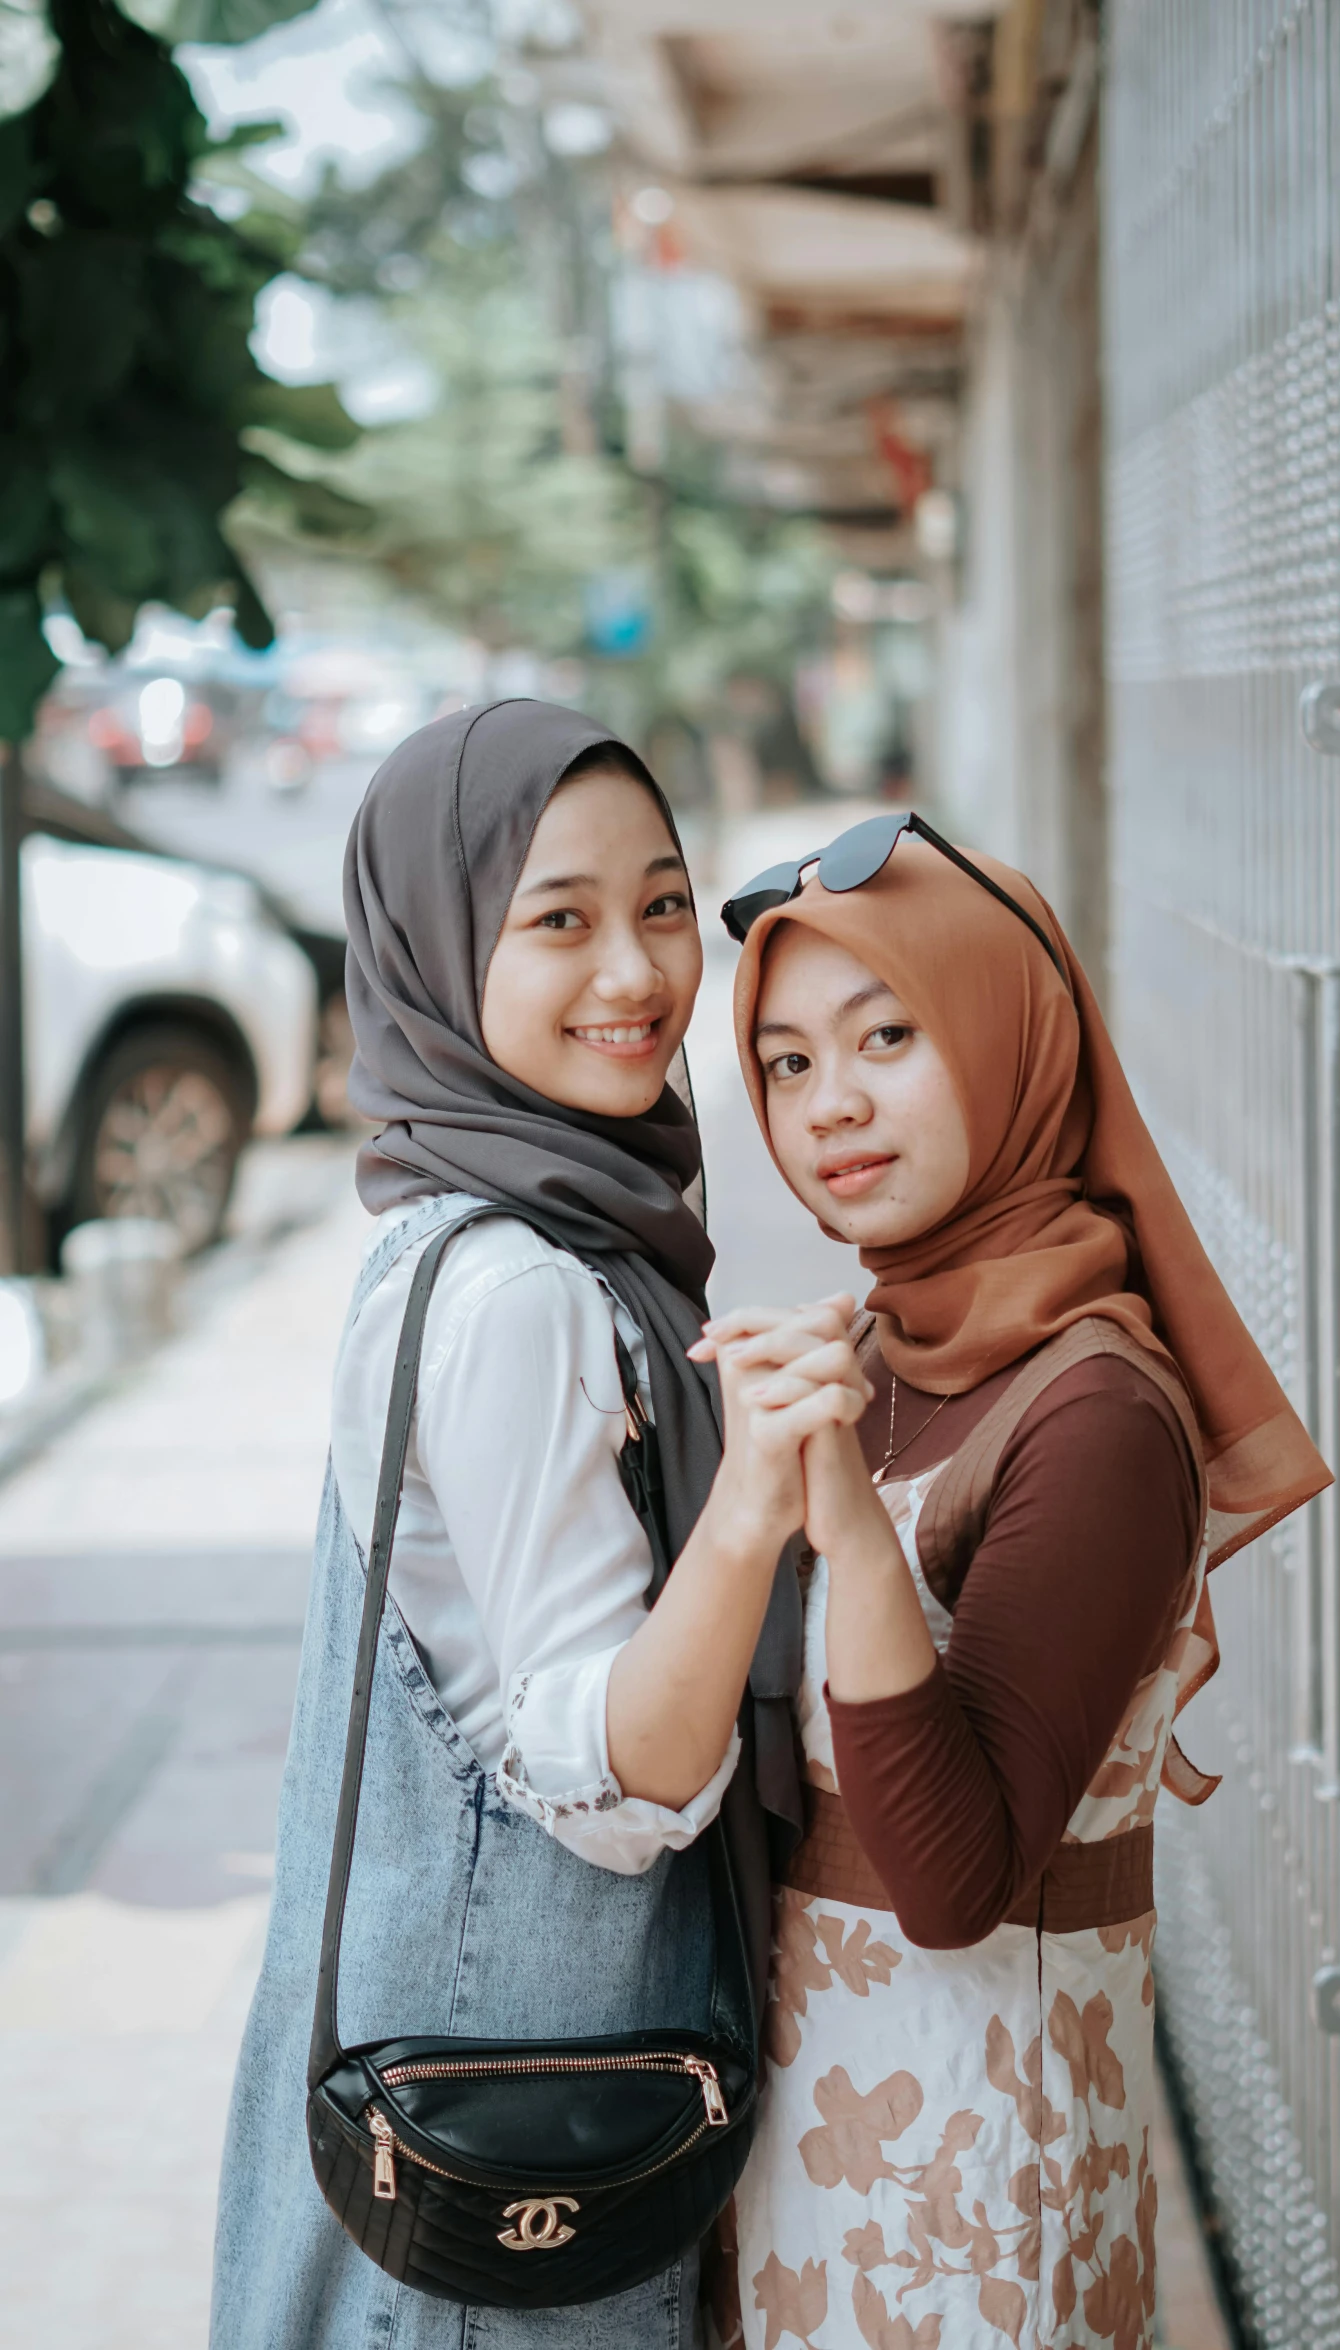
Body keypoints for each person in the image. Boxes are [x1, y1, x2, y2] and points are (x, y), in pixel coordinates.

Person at [210, 700, 863, 2350]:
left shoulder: (468, 1222)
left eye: (659, 903)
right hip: (523, 2146)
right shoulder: (520, 1291)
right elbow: (604, 1781)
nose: (635, 973)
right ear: (437, 948)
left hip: (456, 2091)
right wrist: (752, 1507)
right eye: (556, 920)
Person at [696, 820, 1330, 2350]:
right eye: (783, 1063)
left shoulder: (1097, 1414)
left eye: (886, 1035)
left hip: (981, 2179)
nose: (828, 1102)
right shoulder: (869, 1348)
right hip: (826, 2124)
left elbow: (956, 1877)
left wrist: (845, 1529)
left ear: (1007, 1031)